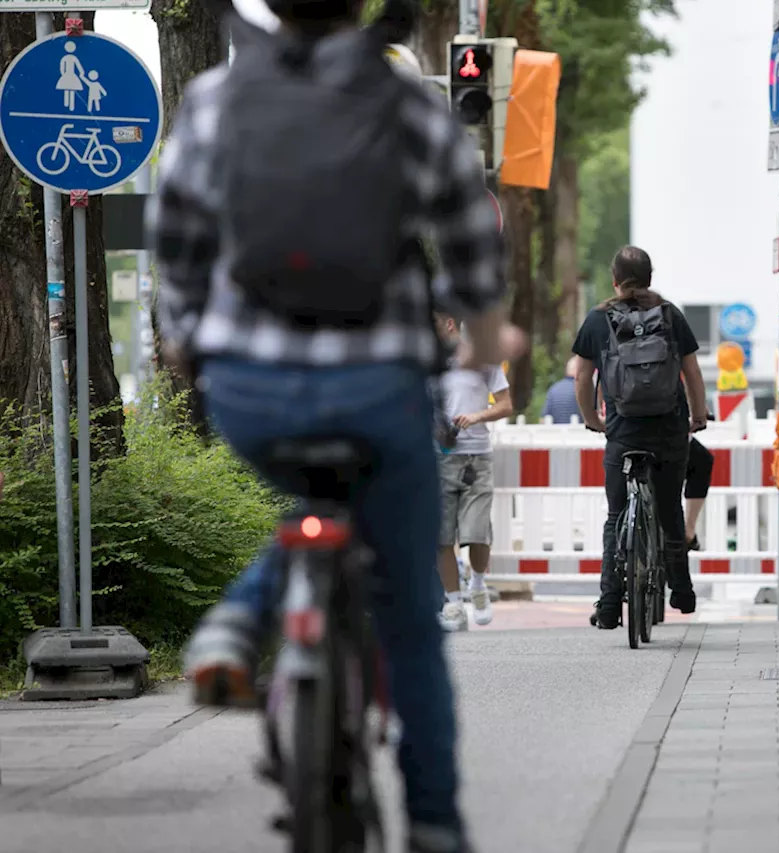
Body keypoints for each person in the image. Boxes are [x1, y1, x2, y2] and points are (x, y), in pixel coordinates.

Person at [148, 0, 517, 846]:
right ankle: (433, 822)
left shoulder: (212, 101)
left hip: (252, 396)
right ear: (362, 8)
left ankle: (242, 618)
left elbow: (177, 250)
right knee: (408, 617)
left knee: (316, 503)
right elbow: (471, 247)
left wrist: (191, 351)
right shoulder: (410, 106)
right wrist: (484, 345)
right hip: (377, 393)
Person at [571, 246, 708, 628]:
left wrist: (593, 419)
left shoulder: (599, 319)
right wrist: (697, 416)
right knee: (669, 509)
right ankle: (681, 590)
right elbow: (692, 373)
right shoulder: (669, 314)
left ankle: (611, 603)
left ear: (614, 279)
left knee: (617, 516)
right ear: (650, 277)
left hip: (623, 430)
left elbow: (582, 378)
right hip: (668, 430)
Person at [433, 312, 513, 632]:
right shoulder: (426, 362)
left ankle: (477, 585)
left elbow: (506, 405)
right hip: (437, 457)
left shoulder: (482, 358)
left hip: (476, 459)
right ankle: (453, 603)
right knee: (441, 537)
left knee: (476, 533)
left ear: (450, 324)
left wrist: (477, 416)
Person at [541, 356, 581, 424]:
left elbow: (543, 419)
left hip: (555, 433)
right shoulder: (582, 390)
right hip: (579, 432)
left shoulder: (553, 389)